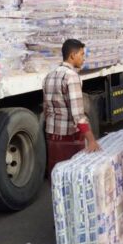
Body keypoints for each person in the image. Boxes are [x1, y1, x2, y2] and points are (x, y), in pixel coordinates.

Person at [43, 39, 100, 177]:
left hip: (52, 136)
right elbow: (78, 115)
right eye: (81, 54)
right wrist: (91, 140)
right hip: (69, 138)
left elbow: (46, 108)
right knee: (72, 178)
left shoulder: (48, 76)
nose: (83, 58)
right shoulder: (72, 76)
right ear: (72, 55)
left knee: (57, 177)